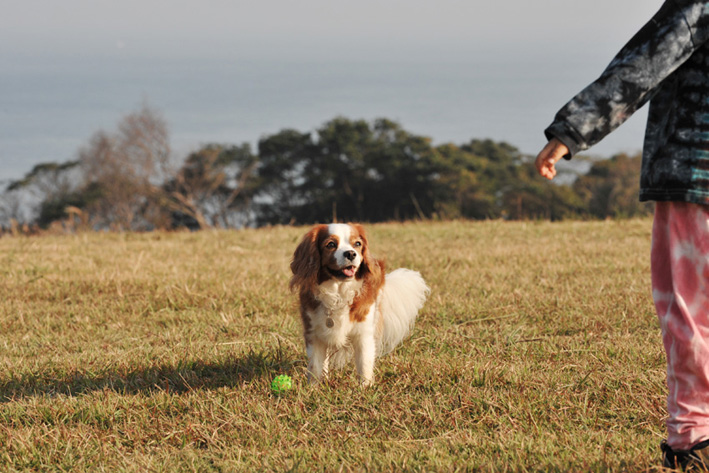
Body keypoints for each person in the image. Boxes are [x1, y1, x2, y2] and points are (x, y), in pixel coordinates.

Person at [534, 0, 709, 469]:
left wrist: (572, 131)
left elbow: (644, 64)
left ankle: (692, 438)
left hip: (695, 176)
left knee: (689, 313)